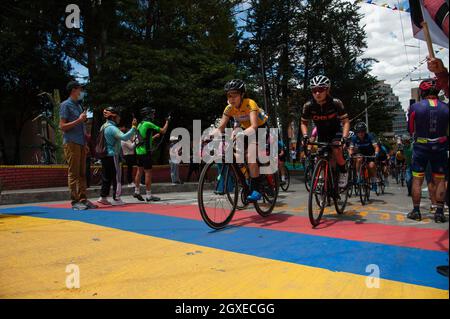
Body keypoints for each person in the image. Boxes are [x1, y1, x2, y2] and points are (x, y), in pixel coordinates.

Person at [212, 79, 269, 202]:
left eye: (235, 94)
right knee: (236, 155)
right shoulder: (229, 108)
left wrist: (240, 134)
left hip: (259, 127)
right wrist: (210, 136)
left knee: (250, 156)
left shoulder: (250, 103)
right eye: (229, 95)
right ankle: (247, 179)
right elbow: (220, 127)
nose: (232, 98)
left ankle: (256, 188)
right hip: (244, 128)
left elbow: (254, 126)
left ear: (242, 94)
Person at [407, 79, 449, 223]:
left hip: (421, 147)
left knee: (417, 179)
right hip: (441, 146)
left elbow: (411, 129)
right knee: (440, 179)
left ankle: (416, 211)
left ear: (422, 92)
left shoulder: (415, 107)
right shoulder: (446, 107)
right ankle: (439, 212)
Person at [300, 75, 350, 188]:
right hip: (322, 133)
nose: (317, 93)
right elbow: (303, 122)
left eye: (321, 89)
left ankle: (343, 172)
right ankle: (323, 179)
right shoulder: (308, 106)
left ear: (327, 90)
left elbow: (346, 122)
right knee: (320, 157)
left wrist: (345, 137)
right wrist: (305, 136)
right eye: (314, 90)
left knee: (336, 150)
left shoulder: (336, 103)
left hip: (335, 131)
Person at [59, 80, 97, 210]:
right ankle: (74, 201)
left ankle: (83, 199)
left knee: (82, 173)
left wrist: (85, 142)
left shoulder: (79, 106)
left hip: (80, 143)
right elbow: (62, 126)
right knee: (74, 173)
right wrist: (79, 120)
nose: (82, 92)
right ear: (74, 90)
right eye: (80, 89)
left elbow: (82, 126)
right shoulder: (65, 105)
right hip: (71, 142)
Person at [96, 107, 137, 206]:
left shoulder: (103, 126)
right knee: (117, 177)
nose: (119, 119)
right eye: (118, 116)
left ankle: (103, 197)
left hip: (105, 155)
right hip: (113, 155)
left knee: (106, 177)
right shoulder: (112, 128)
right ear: (113, 117)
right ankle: (117, 198)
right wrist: (133, 127)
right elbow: (124, 137)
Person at [133, 107, 169, 202]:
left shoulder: (140, 124)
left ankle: (136, 191)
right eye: (152, 113)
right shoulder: (149, 123)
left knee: (139, 171)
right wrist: (167, 122)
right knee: (148, 173)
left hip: (138, 151)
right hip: (146, 152)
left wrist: (153, 137)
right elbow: (163, 131)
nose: (153, 115)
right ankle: (149, 195)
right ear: (148, 114)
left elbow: (142, 139)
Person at [349, 122, 380, 192]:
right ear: (356, 132)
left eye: (362, 131)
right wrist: (351, 154)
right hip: (360, 154)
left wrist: (376, 153)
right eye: (359, 132)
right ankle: (359, 176)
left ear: (365, 131)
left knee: (371, 166)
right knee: (359, 159)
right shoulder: (354, 138)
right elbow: (351, 148)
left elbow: (376, 146)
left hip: (370, 154)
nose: (361, 133)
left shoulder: (370, 136)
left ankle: (374, 182)